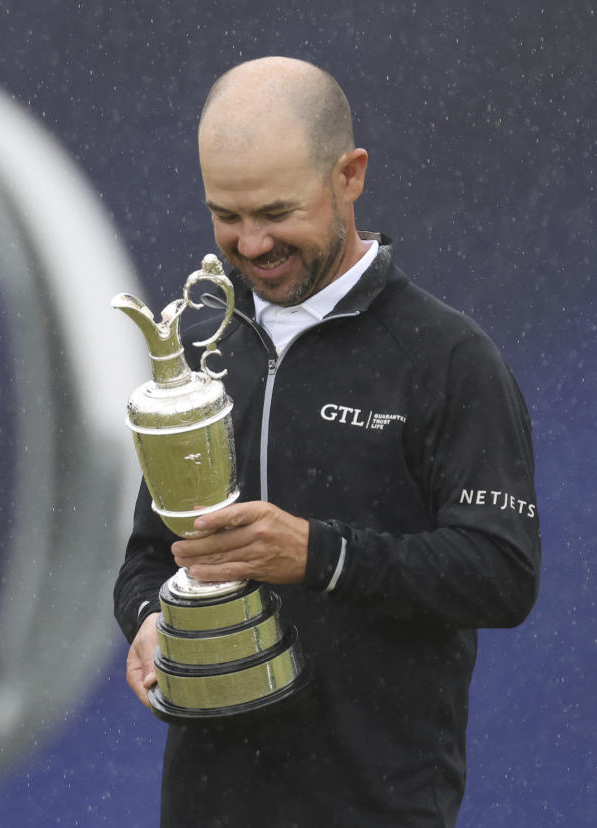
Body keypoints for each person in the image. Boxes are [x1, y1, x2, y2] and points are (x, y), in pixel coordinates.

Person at [112, 56, 540, 828]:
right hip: (205, 808)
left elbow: (502, 573)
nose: (250, 243)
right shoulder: (208, 347)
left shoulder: (446, 357)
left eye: (276, 211)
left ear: (350, 175)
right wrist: (150, 618)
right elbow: (151, 554)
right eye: (226, 215)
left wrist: (320, 554)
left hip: (377, 806)